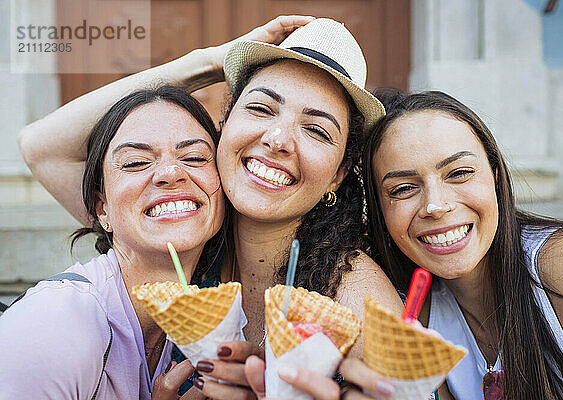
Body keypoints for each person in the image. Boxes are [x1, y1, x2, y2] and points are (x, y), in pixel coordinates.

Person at [18, 17, 405, 399]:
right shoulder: (188, 232)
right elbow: (40, 147)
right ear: (225, 125)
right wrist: (210, 63)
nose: (277, 139)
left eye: (316, 130)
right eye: (261, 109)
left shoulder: (358, 303)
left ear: (337, 176)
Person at [360, 87, 563, 399]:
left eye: (459, 173)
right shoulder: (400, 311)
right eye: (403, 189)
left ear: (496, 176)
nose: (436, 205)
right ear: (380, 210)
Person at [0, 85, 224, 399]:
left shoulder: (204, 316)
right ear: (101, 208)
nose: (172, 173)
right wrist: (212, 60)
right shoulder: (57, 323)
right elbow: (38, 144)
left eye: (195, 157)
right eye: (135, 163)